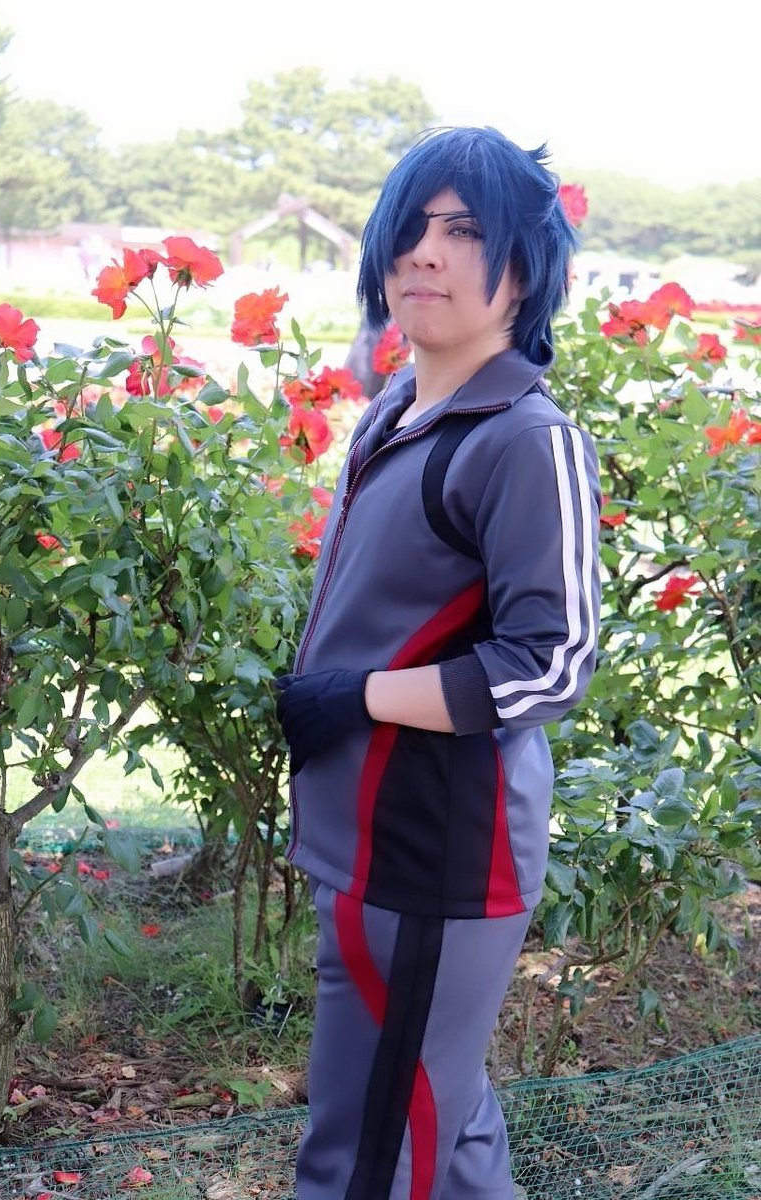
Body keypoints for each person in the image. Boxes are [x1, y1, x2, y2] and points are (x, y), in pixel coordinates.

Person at [275, 125, 602, 1200]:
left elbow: (552, 664)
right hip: (364, 843)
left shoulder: (523, 437)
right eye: (410, 226)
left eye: (463, 231)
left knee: (365, 1160)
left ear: (526, 270)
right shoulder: (397, 410)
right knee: (443, 1137)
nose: (424, 251)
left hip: (431, 856)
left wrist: (358, 696)